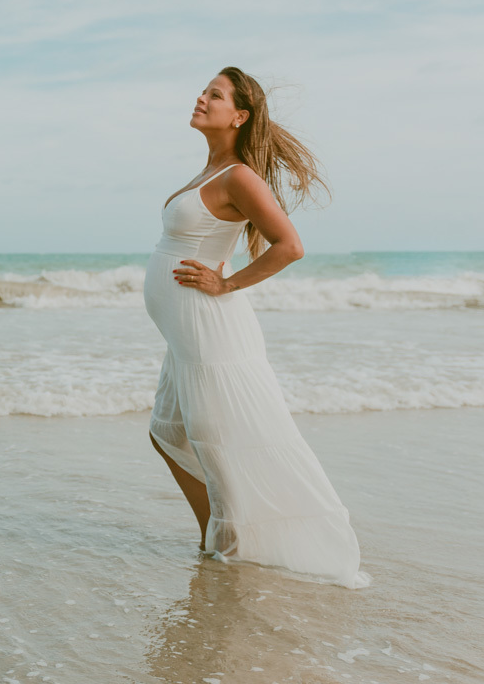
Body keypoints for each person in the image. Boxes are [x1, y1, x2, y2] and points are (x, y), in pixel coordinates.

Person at [143, 66, 370, 589]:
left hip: (209, 327)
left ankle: (230, 545)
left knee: (214, 436)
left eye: (214, 94)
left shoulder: (238, 176)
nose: (201, 97)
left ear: (239, 116)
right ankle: (218, 537)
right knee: (169, 432)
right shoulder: (210, 171)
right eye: (204, 90)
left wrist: (226, 285)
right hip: (186, 332)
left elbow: (290, 246)